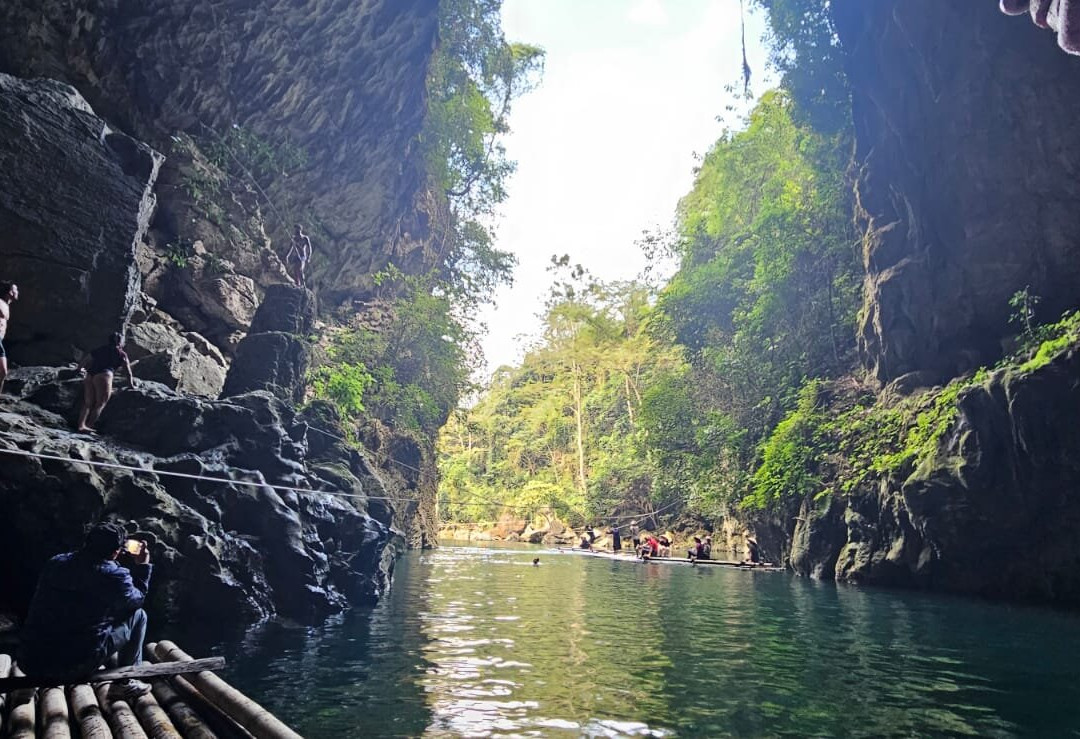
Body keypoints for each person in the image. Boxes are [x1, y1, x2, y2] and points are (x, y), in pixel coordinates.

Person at [18, 523, 152, 699]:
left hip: (30, 661)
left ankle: (33, 680)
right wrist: (143, 566)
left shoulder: (56, 562)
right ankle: (126, 682)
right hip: (74, 667)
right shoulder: (115, 576)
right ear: (116, 552)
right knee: (138, 615)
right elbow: (137, 600)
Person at [77, 332, 137, 433]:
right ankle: (89, 426)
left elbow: (86, 359)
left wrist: (79, 369)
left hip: (90, 375)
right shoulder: (121, 354)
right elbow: (128, 372)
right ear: (120, 342)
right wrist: (131, 385)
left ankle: (81, 425)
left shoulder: (100, 349)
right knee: (100, 403)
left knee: (88, 403)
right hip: (104, 376)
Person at [0, 281, 18, 397]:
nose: (17, 292)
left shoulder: (6, 305)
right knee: (3, 371)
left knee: (2, 372)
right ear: (10, 292)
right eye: (16, 289)